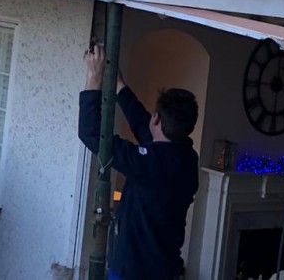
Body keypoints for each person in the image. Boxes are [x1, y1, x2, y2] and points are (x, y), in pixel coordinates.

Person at [78, 43, 199, 280]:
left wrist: (94, 78)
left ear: (157, 119)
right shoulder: (185, 157)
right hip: (164, 270)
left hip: (133, 274)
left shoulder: (152, 164)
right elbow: (148, 131)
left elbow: (91, 134)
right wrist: (119, 87)